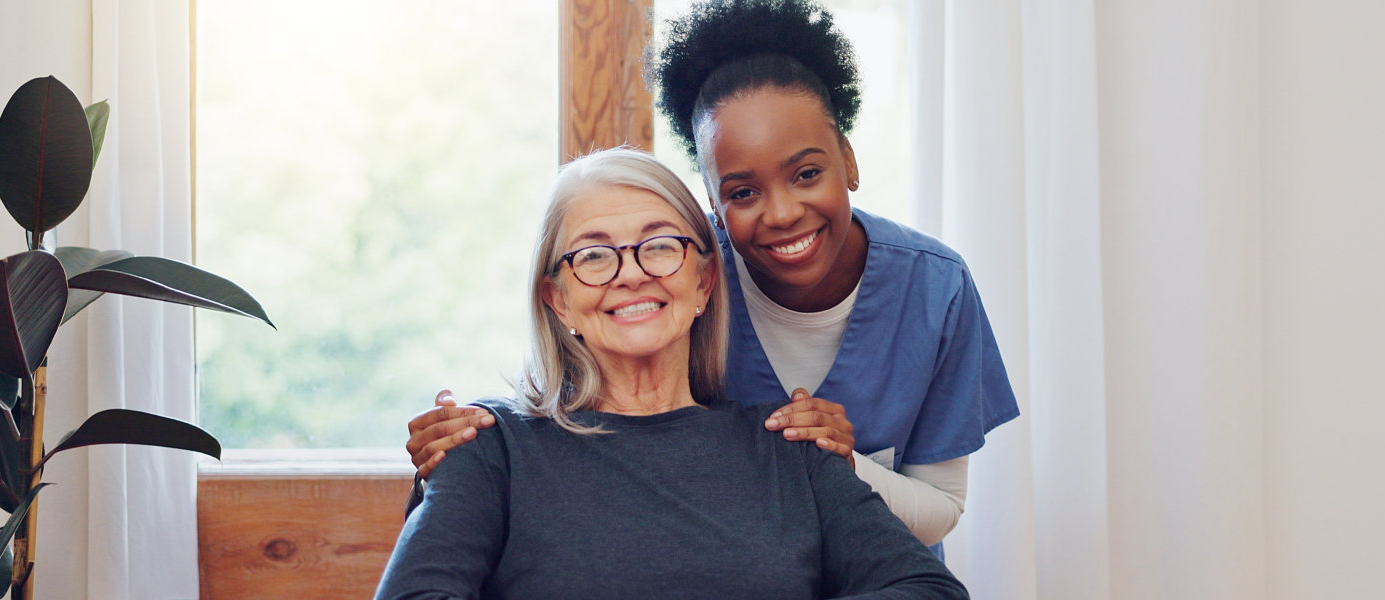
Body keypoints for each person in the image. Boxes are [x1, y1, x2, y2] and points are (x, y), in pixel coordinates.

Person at [404, 0, 1018, 548]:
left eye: (807, 173)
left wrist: (841, 463)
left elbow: (941, 508)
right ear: (711, 204)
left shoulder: (937, 289)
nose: (782, 213)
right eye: (743, 191)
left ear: (849, 160)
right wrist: (473, 441)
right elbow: (584, 407)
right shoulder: (674, 275)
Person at [373, 148, 966, 600]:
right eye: (594, 255)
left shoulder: (790, 447)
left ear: (704, 282)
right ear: (557, 299)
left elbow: (927, 590)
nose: (631, 274)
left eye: (659, 245)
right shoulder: (489, 447)